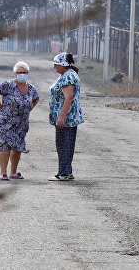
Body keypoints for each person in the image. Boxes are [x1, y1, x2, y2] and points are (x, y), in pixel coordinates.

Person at [0, 61, 39, 181]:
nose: (22, 74)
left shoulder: (31, 88)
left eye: (25, 72)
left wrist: (28, 110)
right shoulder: (8, 85)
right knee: (5, 146)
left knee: (17, 147)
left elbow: (36, 99)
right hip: (5, 122)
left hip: (22, 124)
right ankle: (3, 173)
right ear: (15, 73)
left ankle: (13, 172)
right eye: (20, 72)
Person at [48, 52, 84, 181]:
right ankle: (66, 171)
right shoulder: (67, 75)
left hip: (67, 119)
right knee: (65, 145)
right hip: (68, 118)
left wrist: (61, 117)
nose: (54, 67)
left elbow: (68, 98)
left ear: (63, 64)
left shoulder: (68, 77)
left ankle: (64, 173)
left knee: (64, 145)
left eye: (56, 64)